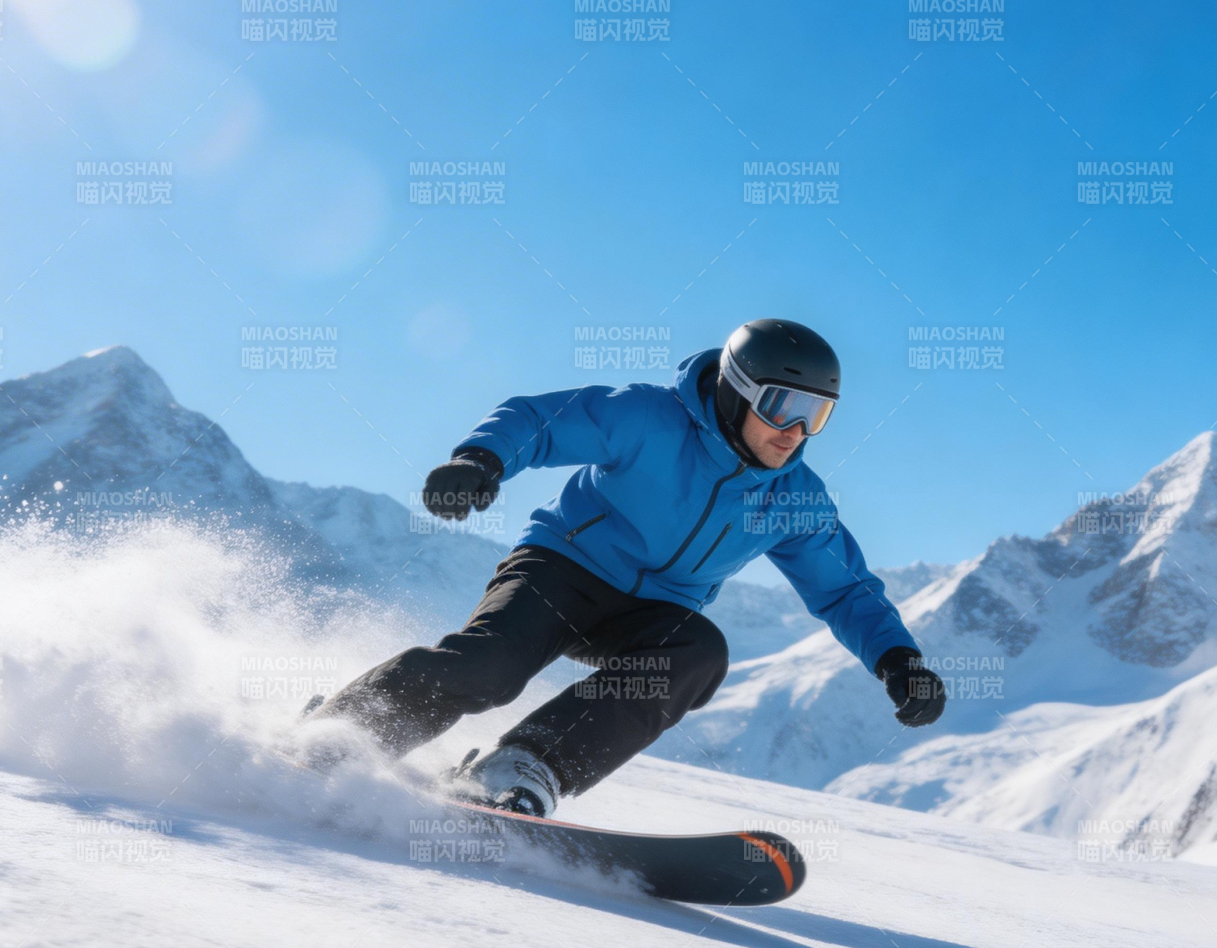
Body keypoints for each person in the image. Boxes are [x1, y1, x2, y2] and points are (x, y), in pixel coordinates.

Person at [307, 319, 945, 816]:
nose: (796, 432)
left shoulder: (794, 499)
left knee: (700, 654)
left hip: (652, 616)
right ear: (736, 390)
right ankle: (344, 731)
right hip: (562, 570)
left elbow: (845, 589)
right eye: (784, 407)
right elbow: (542, 420)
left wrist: (899, 660)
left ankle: (522, 768)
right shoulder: (650, 418)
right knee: (491, 670)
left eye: (818, 416)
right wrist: (481, 459)